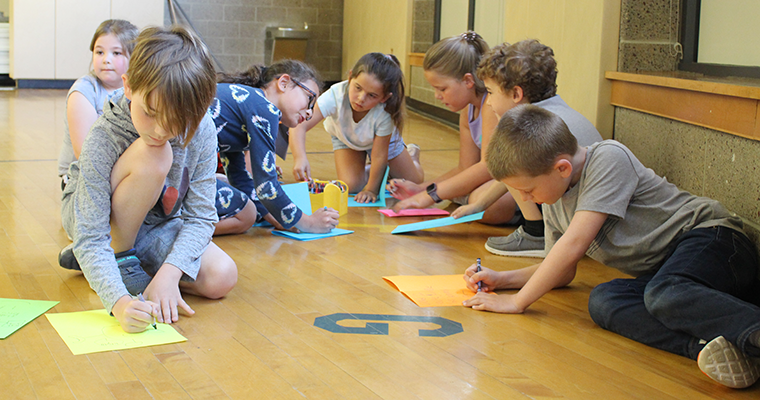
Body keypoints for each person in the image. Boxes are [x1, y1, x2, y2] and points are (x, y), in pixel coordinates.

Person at [464, 104, 760, 389]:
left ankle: (751, 332)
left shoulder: (608, 157)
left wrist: (517, 303)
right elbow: (561, 271)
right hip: (668, 276)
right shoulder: (554, 199)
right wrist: (503, 280)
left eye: (528, 190)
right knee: (604, 301)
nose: (526, 199)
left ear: (562, 168)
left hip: (714, 240)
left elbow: (575, 243)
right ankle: (713, 348)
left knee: (666, 293)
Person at [58, 26, 237, 333]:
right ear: (128, 87)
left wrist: (168, 275)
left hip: (156, 223)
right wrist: (120, 302)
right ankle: (115, 259)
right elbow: (90, 232)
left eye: (178, 122)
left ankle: (102, 266)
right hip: (96, 219)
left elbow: (201, 216)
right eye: (150, 112)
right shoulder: (104, 135)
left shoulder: (203, 126)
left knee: (222, 275)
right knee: (155, 154)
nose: (159, 130)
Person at [450, 40, 602, 257]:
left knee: (509, 154)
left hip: (579, 221)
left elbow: (513, 172)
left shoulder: (531, 127)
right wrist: (480, 205)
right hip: (587, 216)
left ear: (516, 94)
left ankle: (535, 233)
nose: (490, 103)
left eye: (491, 93)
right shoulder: (556, 110)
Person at [388, 32, 507, 222]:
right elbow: (465, 167)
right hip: (499, 177)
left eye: (442, 89)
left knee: (483, 202)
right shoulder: (468, 110)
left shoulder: (490, 106)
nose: (437, 95)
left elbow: (488, 167)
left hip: (515, 181)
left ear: (468, 81)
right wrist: (422, 188)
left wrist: (428, 197)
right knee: (463, 191)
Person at [213, 60, 340, 233]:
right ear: (284, 83)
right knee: (247, 215)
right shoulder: (264, 109)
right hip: (178, 176)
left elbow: (238, 176)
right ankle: (180, 229)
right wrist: (308, 223)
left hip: (176, 171)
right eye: (309, 99)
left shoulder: (248, 102)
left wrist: (278, 217)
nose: (310, 112)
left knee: (239, 197)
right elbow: (265, 184)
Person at [290, 53, 423, 203]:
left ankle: (412, 156)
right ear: (350, 77)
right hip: (346, 139)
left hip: (383, 145)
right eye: (357, 88)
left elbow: (379, 155)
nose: (361, 98)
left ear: (384, 98)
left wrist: (371, 189)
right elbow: (299, 126)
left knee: (414, 181)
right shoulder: (336, 94)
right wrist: (300, 157)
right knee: (352, 186)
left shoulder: (385, 112)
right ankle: (372, 171)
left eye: (372, 95)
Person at [57, 19, 139, 188]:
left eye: (116, 53)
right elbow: (85, 154)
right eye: (99, 52)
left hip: (121, 169)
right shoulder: (83, 91)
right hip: (83, 177)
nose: (106, 59)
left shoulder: (139, 91)